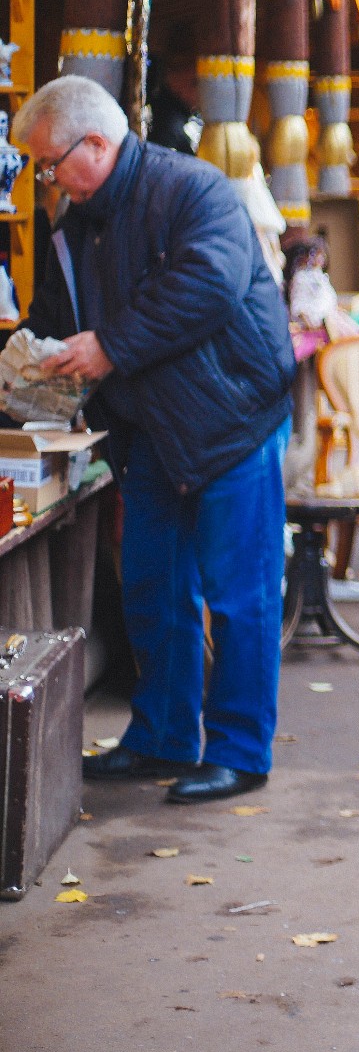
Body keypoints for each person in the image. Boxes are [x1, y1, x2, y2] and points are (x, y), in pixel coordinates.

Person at [20, 75, 296, 806]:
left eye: (50, 163)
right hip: (147, 434)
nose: (46, 179)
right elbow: (58, 308)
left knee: (239, 596)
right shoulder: (70, 222)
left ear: (98, 144)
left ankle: (240, 750)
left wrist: (108, 345)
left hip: (232, 421)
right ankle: (163, 737)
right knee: (154, 588)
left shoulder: (194, 189)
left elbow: (210, 282)